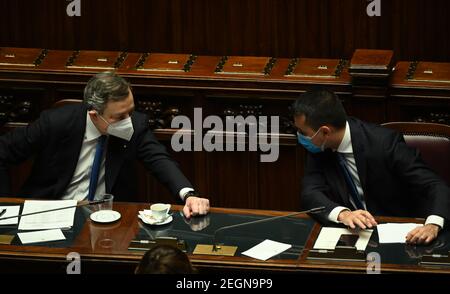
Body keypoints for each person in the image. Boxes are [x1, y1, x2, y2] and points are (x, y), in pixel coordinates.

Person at [0, 71, 209, 218]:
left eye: (130, 111)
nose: (129, 120)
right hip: (50, 212)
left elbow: (159, 159)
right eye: (120, 116)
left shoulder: (135, 125)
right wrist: (5, 205)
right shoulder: (55, 123)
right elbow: (3, 151)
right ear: (94, 114)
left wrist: (188, 194)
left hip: (108, 218)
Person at [293, 88, 449, 245]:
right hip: (351, 235)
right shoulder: (318, 147)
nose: (299, 136)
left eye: (302, 131)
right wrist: (343, 214)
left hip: (398, 236)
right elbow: (310, 193)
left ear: (325, 132)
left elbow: (435, 185)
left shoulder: (384, 143)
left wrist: (433, 224)